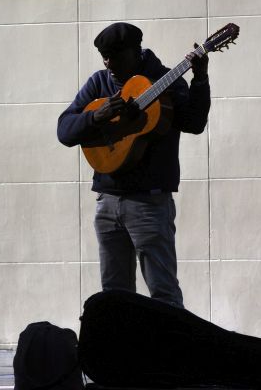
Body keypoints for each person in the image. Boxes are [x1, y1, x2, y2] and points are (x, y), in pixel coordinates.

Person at [57, 22, 211, 308]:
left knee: (162, 292)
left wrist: (199, 80)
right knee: (115, 294)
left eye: (115, 56)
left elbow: (195, 123)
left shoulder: (165, 80)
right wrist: (96, 117)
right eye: (104, 57)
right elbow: (64, 131)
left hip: (150, 203)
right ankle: (121, 353)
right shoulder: (99, 83)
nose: (108, 63)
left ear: (135, 52)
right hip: (107, 200)